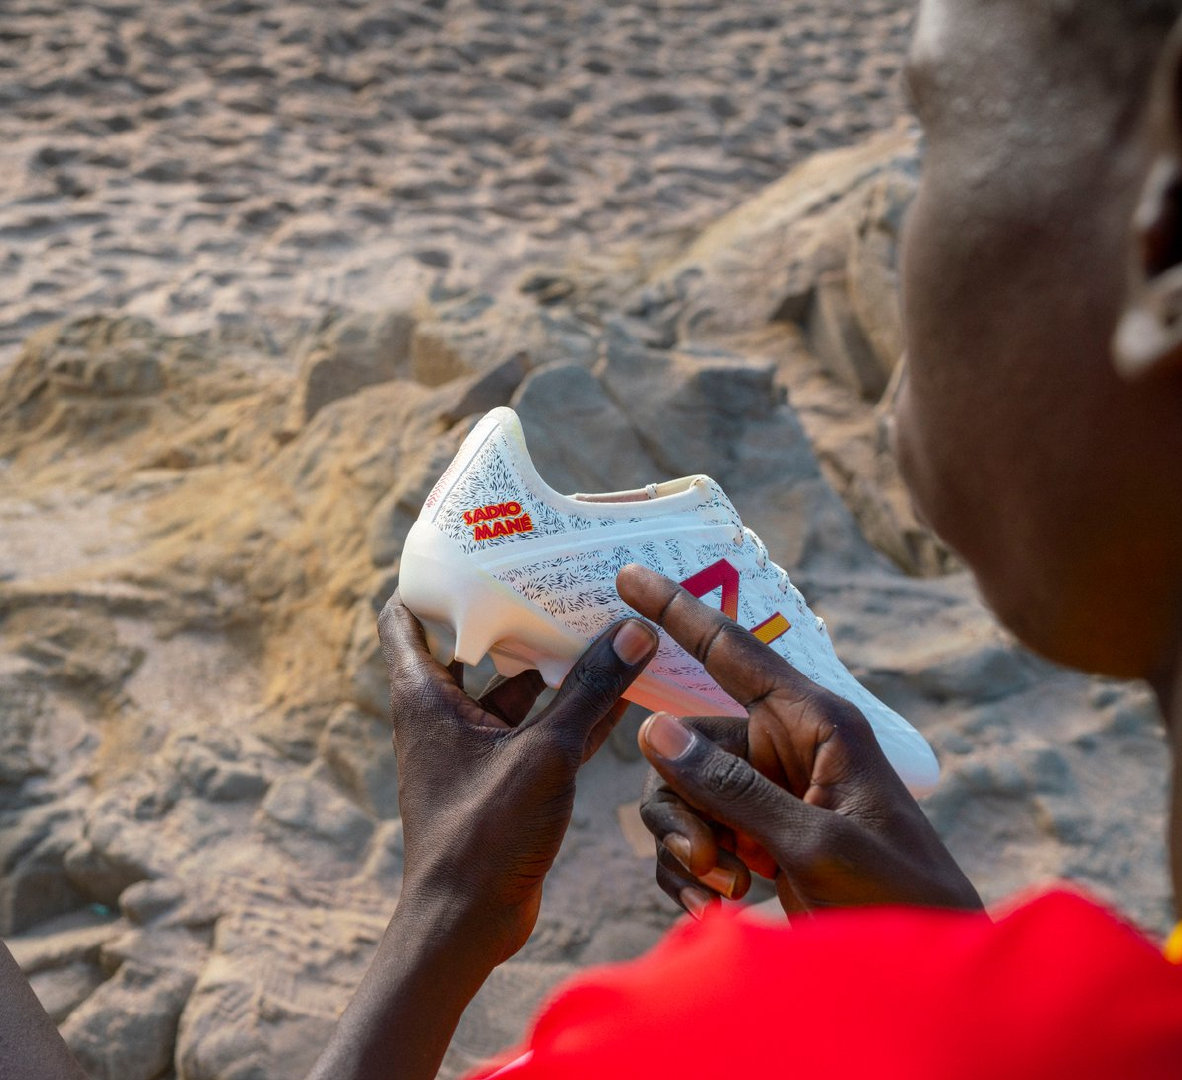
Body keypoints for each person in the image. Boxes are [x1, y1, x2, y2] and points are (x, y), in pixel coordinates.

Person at [5, 0, 1182, 1076]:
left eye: (932, 136)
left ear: (1163, 247)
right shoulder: (1128, 1012)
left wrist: (444, 915)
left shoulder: (683, 1039)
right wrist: (940, 979)